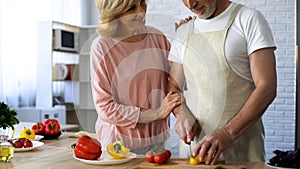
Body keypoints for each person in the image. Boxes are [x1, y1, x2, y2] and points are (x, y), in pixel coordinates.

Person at [168, 0, 277, 164]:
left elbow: (267, 87)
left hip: (243, 150)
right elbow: (173, 87)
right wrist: (180, 112)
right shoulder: (183, 32)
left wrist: (227, 133)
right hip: (194, 151)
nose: (190, 4)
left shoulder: (248, 19)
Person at [90, 0, 182, 154]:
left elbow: (175, 82)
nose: (141, 11)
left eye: (142, 2)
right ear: (114, 12)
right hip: (119, 147)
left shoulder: (157, 37)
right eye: (132, 8)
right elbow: (105, 108)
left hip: (157, 143)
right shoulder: (101, 47)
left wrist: (182, 42)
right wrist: (156, 113)